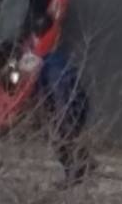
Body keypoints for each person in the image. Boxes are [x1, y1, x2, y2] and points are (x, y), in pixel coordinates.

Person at [38, 48, 95, 187]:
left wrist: (61, 119)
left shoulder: (52, 73)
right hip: (76, 105)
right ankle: (85, 164)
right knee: (68, 138)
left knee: (62, 139)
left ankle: (74, 173)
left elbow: (60, 97)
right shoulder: (50, 65)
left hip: (70, 107)